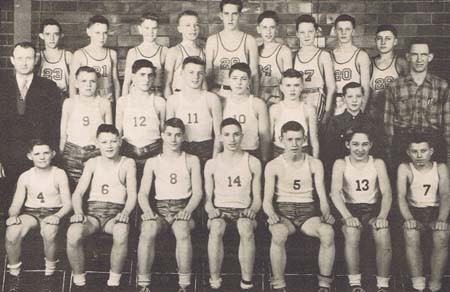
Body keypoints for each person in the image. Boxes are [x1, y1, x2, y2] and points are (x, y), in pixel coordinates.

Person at [263, 121, 335, 292]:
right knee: (279, 233)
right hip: (284, 213)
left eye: (298, 139)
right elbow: (266, 201)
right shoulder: (274, 165)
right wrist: (272, 214)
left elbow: (323, 198)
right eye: (290, 139)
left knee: (328, 232)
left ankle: (324, 284)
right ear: (282, 139)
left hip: (308, 214)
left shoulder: (314, 163)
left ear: (305, 139)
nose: (294, 144)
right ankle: (279, 284)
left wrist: (326, 212)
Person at [66, 124, 137, 292]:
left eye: (113, 141)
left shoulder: (128, 163)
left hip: (115, 214)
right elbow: (78, 194)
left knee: (121, 231)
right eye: (104, 142)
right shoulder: (92, 163)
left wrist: (125, 213)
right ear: (97, 143)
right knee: (73, 233)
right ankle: (79, 282)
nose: (109, 146)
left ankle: (113, 283)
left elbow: (133, 194)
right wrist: (78, 213)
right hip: (93, 215)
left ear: (120, 141)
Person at [136, 118, 202, 292]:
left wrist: (187, 210)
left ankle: (184, 284)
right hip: (160, 210)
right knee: (148, 228)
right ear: (162, 135)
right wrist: (148, 211)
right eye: (169, 134)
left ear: (183, 137)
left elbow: (198, 193)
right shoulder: (153, 162)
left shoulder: (192, 160)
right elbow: (142, 193)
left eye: (178, 135)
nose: (173, 139)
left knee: (181, 229)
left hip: (183, 210)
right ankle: (143, 284)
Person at [330, 127, 393, 292]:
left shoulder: (377, 163)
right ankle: (355, 283)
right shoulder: (341, 163)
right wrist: (347, 216)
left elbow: (387, 193)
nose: (360, 149)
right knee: (352, 232)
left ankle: (383, 285)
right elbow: (335, 194)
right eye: (355, 144)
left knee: (383, 231)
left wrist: (382, 216)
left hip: (371, 211)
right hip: (348, 210)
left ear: (370, 145)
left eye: (364, 144)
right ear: (347, 144)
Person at [0, 41, 60, 211]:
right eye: (19, 58)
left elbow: (54, 125)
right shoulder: (2, 85)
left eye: (28, 58)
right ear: (12, 60)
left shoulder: (48, 87)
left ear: (36, 59)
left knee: (37, 203)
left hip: (38, 155)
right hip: (8, 154)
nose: (24, 62)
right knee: (8, 204)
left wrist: (50, 155)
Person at [5, 139, 71, 292]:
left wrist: (58, 216)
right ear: (30, 156)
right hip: (31, 213)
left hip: (54, 211)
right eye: (37, 154)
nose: (42, 157)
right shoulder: (25, 176)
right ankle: (14, 274)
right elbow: (16, 205)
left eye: (46, 153)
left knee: (49, 230)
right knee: (12, 231)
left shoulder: (59, 174)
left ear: (53, 154)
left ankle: (50, 274)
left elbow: (68, 203)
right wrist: (13, 215)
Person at [204, 118, 262, 292]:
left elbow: (257, 198)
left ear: (242, 136)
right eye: (227, 135)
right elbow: (207, 199)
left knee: (245, 227)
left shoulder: (252, 162)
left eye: (236, 134)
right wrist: (211, 210)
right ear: (220, 137)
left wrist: (252, 210)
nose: (232, 139)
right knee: (216, 226)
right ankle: (214, 280)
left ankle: (246, 281)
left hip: (244, 211)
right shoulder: (212, 163)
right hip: (220, 211)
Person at [384, 38, 450, 172]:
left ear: (430, 57)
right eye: (415, 55)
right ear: (408, 57)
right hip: (403, 142)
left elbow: (448, 123)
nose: (419, 59)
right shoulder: (394, 86)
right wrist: (391, 149)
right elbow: (388, 124)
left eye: (424, 55)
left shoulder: (441, 86)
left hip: (433, 141)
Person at [397, 134, 450, 292]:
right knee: (411, 233)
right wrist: (409, 218)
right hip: (415, 212)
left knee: (442, 235)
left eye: (423, 151)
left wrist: (442, 219)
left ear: (431, 151)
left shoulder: (440, 168)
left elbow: (445, 195)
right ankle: (418, 283)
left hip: (435, 212)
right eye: (414, 151)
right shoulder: (405, 168)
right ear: (408, 152)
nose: (419, 156)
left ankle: (435, 283)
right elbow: (400, 195)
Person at [60, 66, 112, 186]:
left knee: (94, 186)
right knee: (72, 187)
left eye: (92, 81)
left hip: (95, 152)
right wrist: (61, 156)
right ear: (76, 83)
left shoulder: (104, 103)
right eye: (84, 81)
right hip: (72, 153)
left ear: (97, 83)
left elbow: (109, 135)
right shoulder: (69, 103)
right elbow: (63, 135)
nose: (88, 85)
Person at [322, 82, 381, 187]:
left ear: (363, 98)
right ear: (344, 98)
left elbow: (376, 151)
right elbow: (330, 153)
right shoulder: (335, 122)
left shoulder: (371, 122)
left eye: (358, 96)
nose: (354, 100)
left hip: (366, 171)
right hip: (342, 171)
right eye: (350, 96)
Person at [167, 56, 223, 165]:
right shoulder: (173, 100)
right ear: (182, 73)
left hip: (206, 150)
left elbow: (219, 135)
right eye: (191, 72)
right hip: (182, 149)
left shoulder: (211, 98)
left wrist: (214, 160)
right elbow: (169, 135)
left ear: (204, 75)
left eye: (200, 73)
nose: (196, 77)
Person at [116, 59, 165, 178]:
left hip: (153, 152)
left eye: (150, 75)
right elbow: (118, 132)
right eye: (142, 75)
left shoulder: (159, 102)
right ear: (133, 77)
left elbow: (164, 132)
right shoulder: (123, 101)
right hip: (129, 151)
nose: (146, 79)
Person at [205, 0, 259, 98]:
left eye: (234, 14)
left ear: (240, 15)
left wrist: (255, 97)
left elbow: (254, 73)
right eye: (226, 14)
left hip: (242, 94)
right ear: (221, 15)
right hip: (218, 92)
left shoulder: (249, 40)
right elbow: (208, 72)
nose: (230, 18)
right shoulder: (212, 40)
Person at [222, 62, 270, 163]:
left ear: (249, 82)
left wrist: (264, 159)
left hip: (251, 152)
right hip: (228, 153)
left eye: (243, 79)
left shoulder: (257, 104)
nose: (239, 83)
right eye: (234, 78)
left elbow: (264, 136)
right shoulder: (222, 103)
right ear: (229, 80)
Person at [294, 14, 335, 123]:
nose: (306, 36)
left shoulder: (323, 55)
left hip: (316, 98)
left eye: (310, 32)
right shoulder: (293, 56)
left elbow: (331, 87)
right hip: (298, 99)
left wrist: (327, 111)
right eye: (302, 32)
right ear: (297, 34)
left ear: (316, 32)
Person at [269, 69, 319, 159]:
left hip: (302, 151)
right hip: (279, 151)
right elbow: (267, 140)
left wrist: (316, 162)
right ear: (281, 87)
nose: (292, 89)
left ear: (301, 87)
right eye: (288, 85)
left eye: (296, 85)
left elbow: (314, 141)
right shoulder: (274, 109)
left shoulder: (308, 109)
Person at [70, 15, 120, 102]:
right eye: (97, 33)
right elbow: (72, 84)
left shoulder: (112, 54)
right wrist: (74, 105)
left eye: (105, 33)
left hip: (108, 100)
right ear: (88, 32)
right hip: (87, 102)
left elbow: (115, 81)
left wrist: (118, 105)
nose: (102, 37)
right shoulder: (79, 54)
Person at [331, 14, 371, 115]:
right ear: (335, 31)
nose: (343, 33)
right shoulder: (329, 56)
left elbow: (365, 88)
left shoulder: (361, 56)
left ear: (353, 31)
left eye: (347, 29)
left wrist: (360, 112)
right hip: (334, 105)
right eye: (340, 29)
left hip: (353, 105)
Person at [122, 13, 168, 97]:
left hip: (157, 95)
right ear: (140, 29)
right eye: (147, 28)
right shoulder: (133, 52)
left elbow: (167, 82)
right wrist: (124, 102)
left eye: (154, 28)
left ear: (158, 29)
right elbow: (127, 82)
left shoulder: (164, 51)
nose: (150, 31)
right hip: (137, 96)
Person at [369, 24, 407, 123]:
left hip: (395, 115)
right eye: (379, 38)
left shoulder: (401, 63)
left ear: (395, 41)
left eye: (388, 39)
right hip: (374, 115)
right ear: (375, 40)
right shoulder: (369, 63)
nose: (383, 42)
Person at [164, 10, 205, 97]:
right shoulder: (174, 51)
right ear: (180, 29)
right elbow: (167, 84)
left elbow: (204, 83)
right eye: (188, 25)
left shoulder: (203, 52)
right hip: (179, 98)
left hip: (199, 99)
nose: (193, 29)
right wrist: (170, 104)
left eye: (196, 25)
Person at [256, 10, 292, 105]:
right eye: (264, 27)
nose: (268, 32)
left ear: (277, 29)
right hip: (257, 95)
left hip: (277, 96)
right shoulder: (254, 50)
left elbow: (289, 81)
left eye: (272, 27)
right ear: (258, 29)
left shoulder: (284, 51)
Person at [38, 18, 72, 102]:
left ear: (61, 35)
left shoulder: (68, 56)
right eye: (48, 34)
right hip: (43, 99)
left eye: (55, 34)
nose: (52, 38)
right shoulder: (38, 57)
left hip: (63, 99)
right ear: (41, 36)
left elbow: (76, 81)